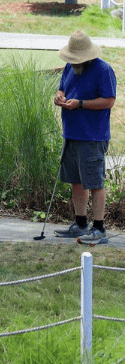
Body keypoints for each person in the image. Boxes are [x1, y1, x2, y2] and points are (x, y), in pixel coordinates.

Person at [53, 30, 117, 245]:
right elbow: (62, 89)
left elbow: (109, 101)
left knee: (95, 182)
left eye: (76, 59)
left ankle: (99, 228)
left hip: (92, 136)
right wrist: (59, 96)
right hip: (71, 133)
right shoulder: (69, 67)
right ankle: (80, 223)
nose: (73, 63)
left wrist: (80, 104)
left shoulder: (103, 70)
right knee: (76, 181)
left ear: (87, 57)